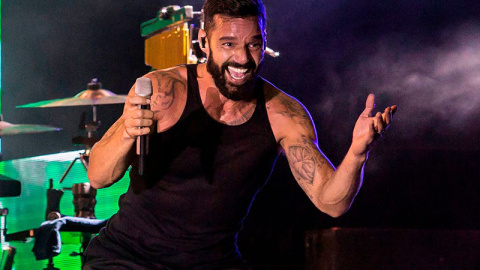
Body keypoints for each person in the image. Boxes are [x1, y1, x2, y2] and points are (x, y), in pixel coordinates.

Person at [84, 0, 397, 269]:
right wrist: (128, 130)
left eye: (253, 44)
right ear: (205, 42)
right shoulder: (163, 90)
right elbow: (97, 176)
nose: (243, 59)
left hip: (213, 262)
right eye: (229, 44)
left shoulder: (283, 115)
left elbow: (331, 203)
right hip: (128, 257)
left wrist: (357, 154)